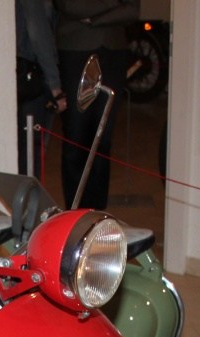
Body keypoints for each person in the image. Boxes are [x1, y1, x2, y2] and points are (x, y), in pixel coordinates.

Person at [54, 0, 138, 208]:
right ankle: (75, 211)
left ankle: (97, 213)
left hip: (113, 52)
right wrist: (113, 4)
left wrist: (93, 19)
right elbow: (70, 6)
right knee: (76, 136)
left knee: (102, 138)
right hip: (75, 50)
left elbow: (132, 9)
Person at [16, 0, 65, 177]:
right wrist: (55, 85)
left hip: (22, 75)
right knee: (32, 153)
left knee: (25, 153)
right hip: (34, 78)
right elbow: (38, 34)